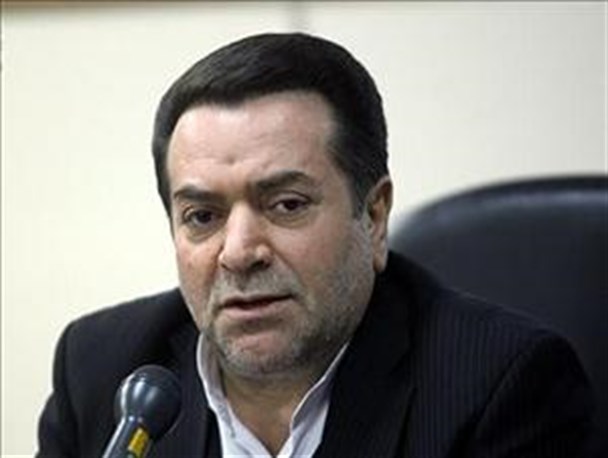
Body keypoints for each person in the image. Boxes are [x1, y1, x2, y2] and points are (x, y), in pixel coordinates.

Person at [37, 33, 594, 458]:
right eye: (202, 216)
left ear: (373, 216)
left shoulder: (500, 386)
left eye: (287, 205)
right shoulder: (102, 370)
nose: (239, 252)